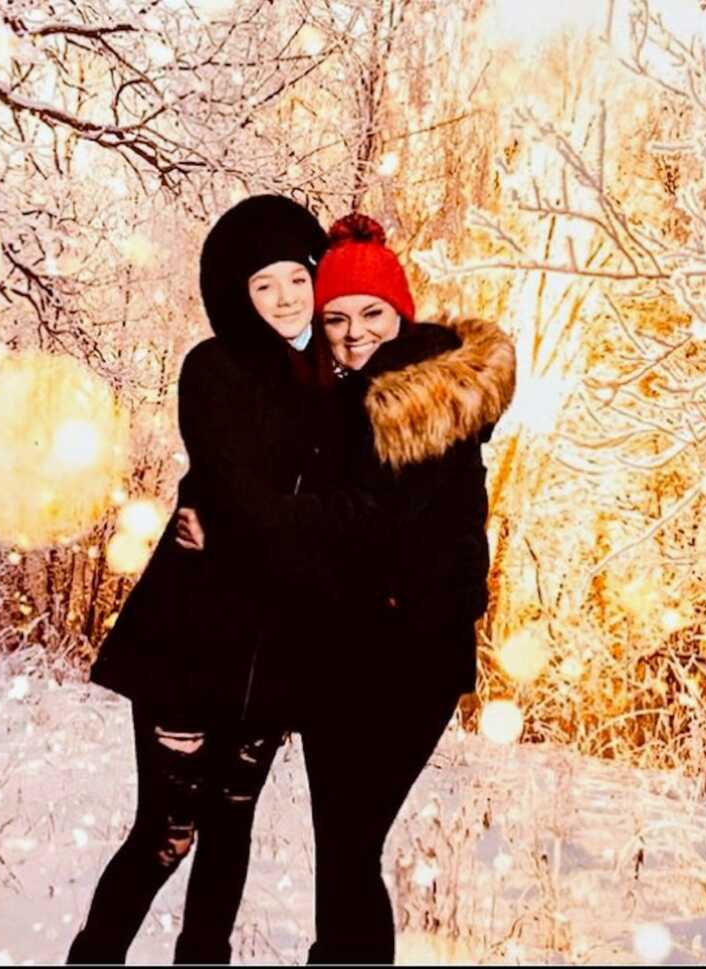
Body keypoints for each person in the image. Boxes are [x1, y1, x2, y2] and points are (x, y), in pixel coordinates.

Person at [176, 213, 516, 964]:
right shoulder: (347, 396)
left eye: (370, 314)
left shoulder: (423, 399)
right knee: (345, 853)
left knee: (353, 841)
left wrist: (236, 527)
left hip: (409, 660)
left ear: (401, 313)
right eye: (335, 318)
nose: (353, 331)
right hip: (344, 655)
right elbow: (284, 476)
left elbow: (367, 518)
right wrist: (201, 497)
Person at [67, 195, 385, 965]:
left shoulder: (337, 384)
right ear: (236, 294)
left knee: (231, 827)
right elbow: (242, 495)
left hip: (278, 649)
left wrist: (276, 528)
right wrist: (252, 523)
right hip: (194, 637)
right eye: (263, 285)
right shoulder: (214, 367)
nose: (284, 299)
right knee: (169, 830)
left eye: (297, 280)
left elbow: (347, 512)